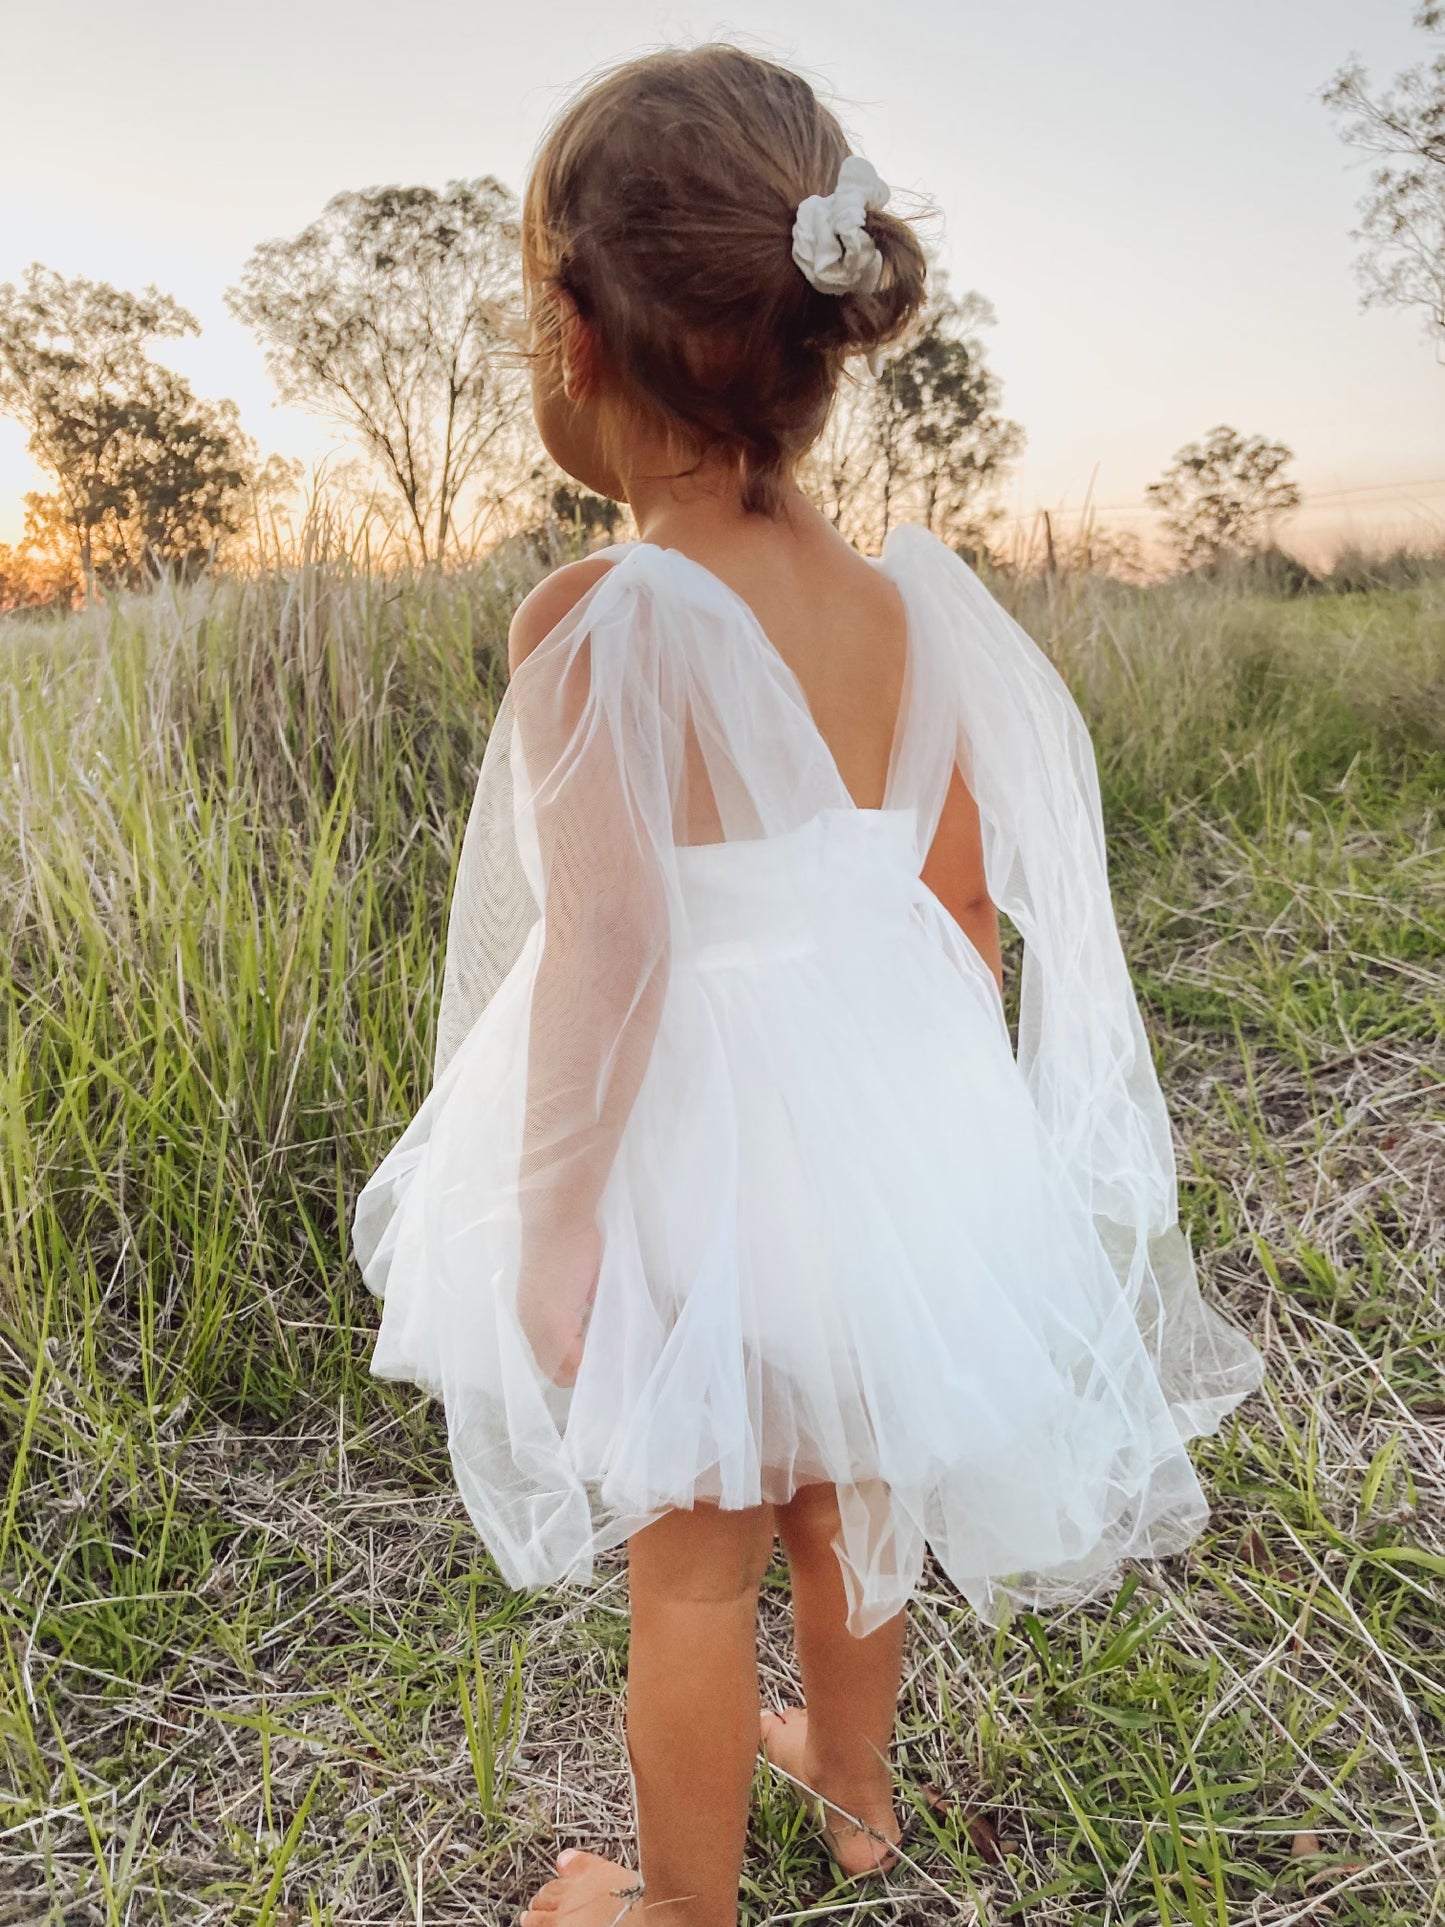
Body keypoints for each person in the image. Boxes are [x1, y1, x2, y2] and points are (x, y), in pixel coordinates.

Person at [352, 43, 1263, 1927]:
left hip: (692, 1132)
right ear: (811, 341)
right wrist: (938, 1150)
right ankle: (854, 1793)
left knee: (693, 1559)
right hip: (890, 1109)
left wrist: (554, 1222)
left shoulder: (594, 619)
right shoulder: (914, 606)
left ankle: (679, 1906)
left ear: (574, 339)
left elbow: (608, 947)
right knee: (856, 1487)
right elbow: (962, 920)